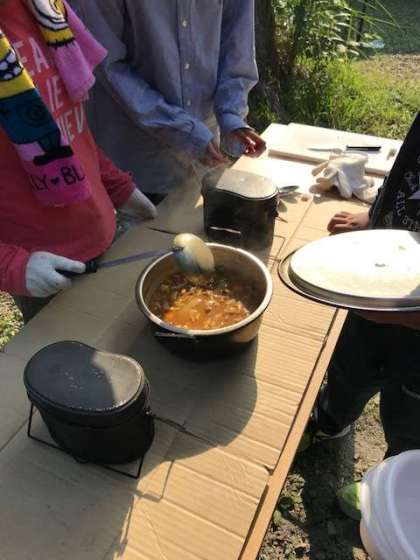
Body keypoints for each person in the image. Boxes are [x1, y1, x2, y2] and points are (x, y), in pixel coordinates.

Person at [0, 0, 156, 323]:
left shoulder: (44, 7)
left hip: (103, 234)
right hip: (42, 270)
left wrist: (118, 188)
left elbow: (68, 128)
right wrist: (13, 266)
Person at [303, 112, 420, 518]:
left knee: (409, 424)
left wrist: (405, 317)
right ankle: (331, 421)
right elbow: (407, 171)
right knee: (349, 370)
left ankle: (389, 492)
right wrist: (375, 213)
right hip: (379, 289)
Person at [69, 0, 267, 204]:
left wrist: (231, 113)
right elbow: (105, 64)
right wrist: (184, 131)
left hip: (203, 159)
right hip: (132, 170)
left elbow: (237, 46)